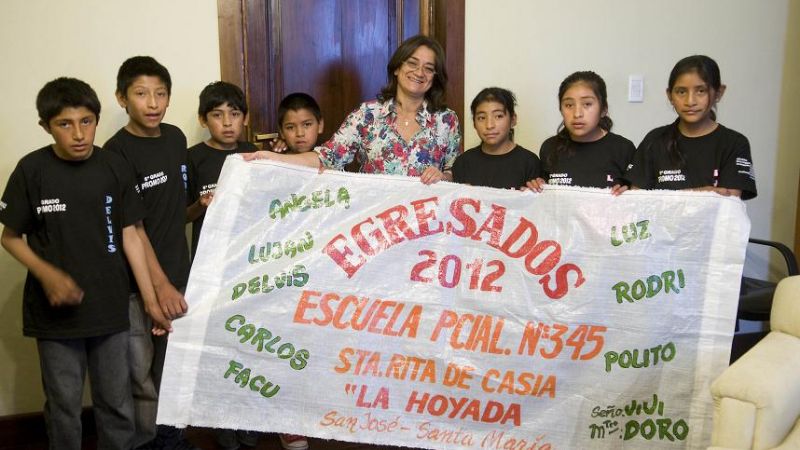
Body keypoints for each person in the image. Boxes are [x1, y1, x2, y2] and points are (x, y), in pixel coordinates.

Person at [0, 77, 167, 450]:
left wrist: (150, 300)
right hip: (55, 317)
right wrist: (47, 274)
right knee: (64, 406)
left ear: (96, 118)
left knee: (117, 402)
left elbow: (130, 236)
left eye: (87, 121)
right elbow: (9, 237)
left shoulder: (113, 166)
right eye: (65, 124)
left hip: (110, 310)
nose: (78, 134)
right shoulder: (31, 170)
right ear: (46, 126)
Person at [103, 56, 196, 450]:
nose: (152, 102)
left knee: (174, 365)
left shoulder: (176, 138)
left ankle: (172, 438)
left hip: (180, 271)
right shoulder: (116, 152)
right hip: (137, 281)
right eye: (141, 94)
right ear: (122, 98)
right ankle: (148, 443)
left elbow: (177, 211)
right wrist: (156, 290)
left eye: (160, 93)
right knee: (140, 372)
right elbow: (134, 228)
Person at [246, 35, 461, 183]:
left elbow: (456, 172)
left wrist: (444, 177)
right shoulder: (366, 115)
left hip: (427, 226)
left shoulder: (447, 120)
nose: (419, 72)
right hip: (373, 227)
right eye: (412, 63)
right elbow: (327, 158)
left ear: (435, 77)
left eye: (429, 68)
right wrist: (271, 158)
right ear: (397, 67)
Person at [626, 55, 757, 199]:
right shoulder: (655, 139)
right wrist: (703, 193)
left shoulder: (734, 143)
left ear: (719, 93)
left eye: (701, 91)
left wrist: (666, 199)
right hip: (662, 223)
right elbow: (636, 200)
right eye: (681, 92)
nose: (690, 101)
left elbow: (728, 204)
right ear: (670, 95)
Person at [527, 71, 634, 194]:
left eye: (587, 104)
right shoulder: (550, 147)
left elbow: (636, 198)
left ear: (603, 109)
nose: (577, 114)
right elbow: (545, 198)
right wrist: (536, 187)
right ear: (560, 109)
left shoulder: (623, 148)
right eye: (569, 105)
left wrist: (628, 192)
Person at [187, 81, 257, 260]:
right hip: (209, 255)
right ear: (203, 119)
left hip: (248, 252)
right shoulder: (191, 158)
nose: (227, 123)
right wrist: (200, 204)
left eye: (234, 114)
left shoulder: (253, 153)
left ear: (246, 118)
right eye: (217, 115)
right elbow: (182, 216)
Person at [452, 87, 540, 189]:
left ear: (513, 120)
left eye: (498, 116)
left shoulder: (530, 162)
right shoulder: (463, 163)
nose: (489, 125)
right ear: (474, 123)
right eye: (481, 118)